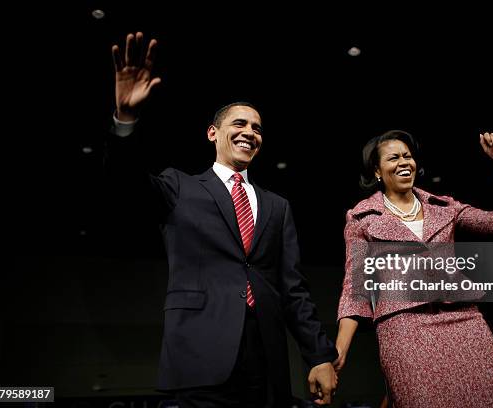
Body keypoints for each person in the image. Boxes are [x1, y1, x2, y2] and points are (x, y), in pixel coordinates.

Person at [105, 32, 338, 407]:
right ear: (213, 133)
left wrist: (319, 355)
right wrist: (126, 119)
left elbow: (293, 290)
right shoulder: (179, 186)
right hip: (199, 353)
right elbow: (123, 184)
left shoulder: (277, 207)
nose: (250, 132)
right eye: (240, 124)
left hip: (265, 358)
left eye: (257, 128)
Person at [333, 129, 493, 407]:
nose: (404, 162)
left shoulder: (444, 207)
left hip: (465, 324)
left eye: (408, 156)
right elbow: (354, 288)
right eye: (393, 158)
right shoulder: (362, 218)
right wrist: (339, 351)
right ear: (377, 171)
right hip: (404, 331)